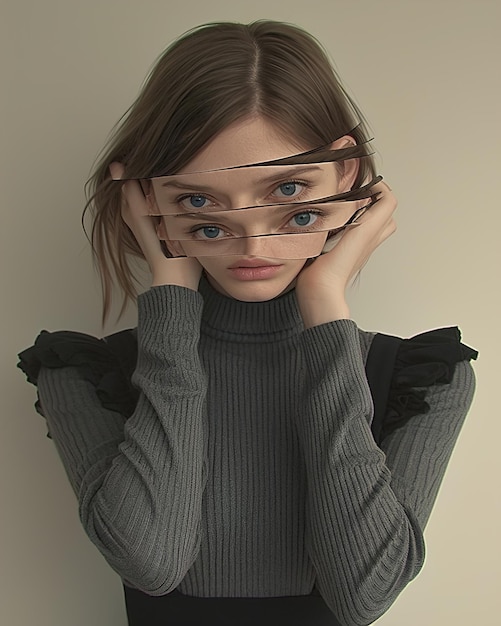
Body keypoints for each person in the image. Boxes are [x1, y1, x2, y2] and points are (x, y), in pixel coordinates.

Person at [17, 20, 477, 626]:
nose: (252, 241)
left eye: (288, 189)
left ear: (346, 177)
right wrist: (172, 299)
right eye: (200, 201)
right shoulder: (85, 374)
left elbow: (363, 595)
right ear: (147, 199)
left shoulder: (423, 378)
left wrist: (324, 301)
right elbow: (152, 563)